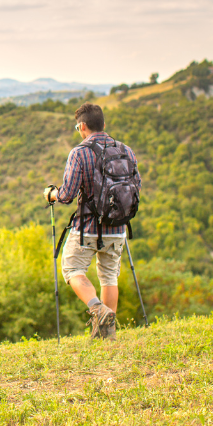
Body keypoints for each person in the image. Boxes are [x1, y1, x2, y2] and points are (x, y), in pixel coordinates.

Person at [44, 103, 141, 340]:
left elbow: (67, 195)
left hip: (88, 228)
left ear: (82, 126)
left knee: (72, 269)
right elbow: (136, 187)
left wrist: (51, 194)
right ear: (104, 124)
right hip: (118, 226)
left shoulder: (79, 152)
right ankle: (106, 336)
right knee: (109, 277)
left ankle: (98, 309)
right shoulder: (126, 151)